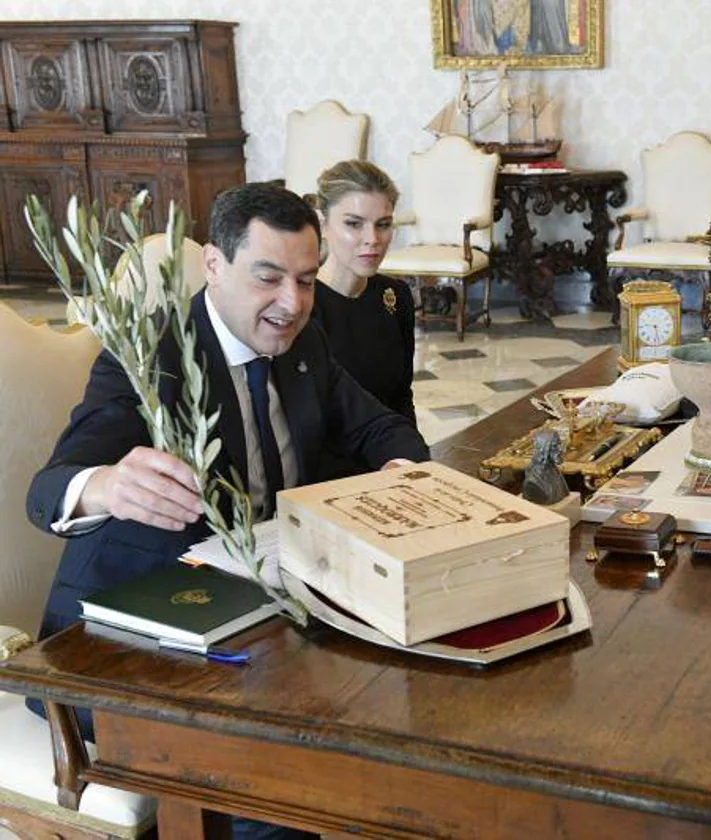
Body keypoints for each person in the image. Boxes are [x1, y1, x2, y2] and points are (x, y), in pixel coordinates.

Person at [27, 183, 429, 840]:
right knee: (282, 779)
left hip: (261, 621)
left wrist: (401, 474)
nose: (293, 303)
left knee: (408, 700)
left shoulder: (305, 344)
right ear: (214, 265)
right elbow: (48, 491)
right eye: (268, 278)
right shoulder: (152, 360)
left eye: (305, 279)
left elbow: (381, 428)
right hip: (132, 648)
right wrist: (105, 486)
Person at [311, 160, 418, 478]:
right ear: (322, 224)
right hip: (326, 480)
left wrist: (406, 464)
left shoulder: (394, 296)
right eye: (354, 224)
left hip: (391, 465)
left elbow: (401, 399)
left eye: (383, 224)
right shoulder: (303, 306)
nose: (372, 239)